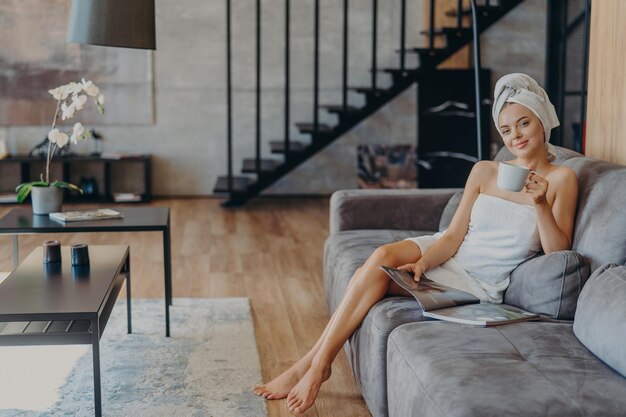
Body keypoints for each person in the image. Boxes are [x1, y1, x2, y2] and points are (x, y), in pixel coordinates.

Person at [252, 73, 579, 414]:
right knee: (380, 257)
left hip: (477, 282)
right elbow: (453, 236)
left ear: (541, 119)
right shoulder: (485, 170)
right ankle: (315, 364)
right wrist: (425, 263)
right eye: (506, 130)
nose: (516, 136)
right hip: (446, 254)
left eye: (523, 124)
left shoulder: (562, 179)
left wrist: (540, 203)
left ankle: (314, 366)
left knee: (376, 276)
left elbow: (559, 252)